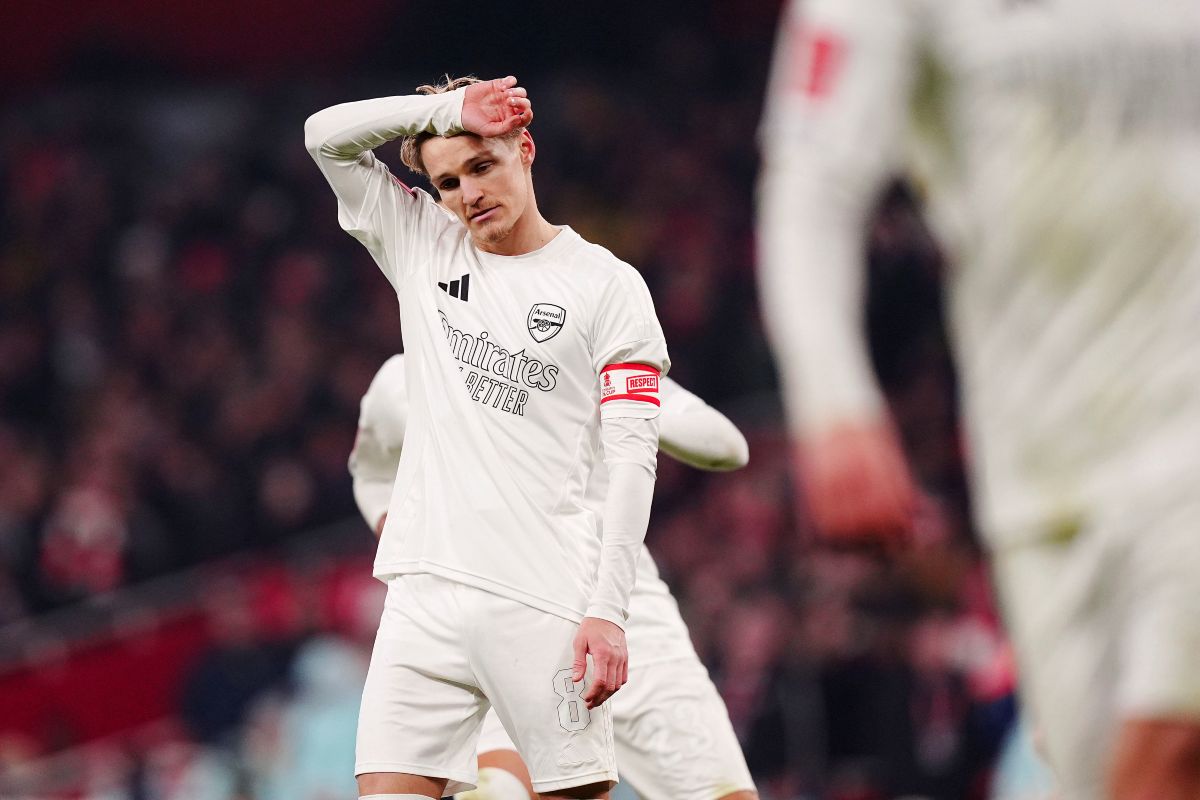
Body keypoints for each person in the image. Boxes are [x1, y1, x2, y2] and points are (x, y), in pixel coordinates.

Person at [757, 2, 1200, 799]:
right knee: (1102, 776)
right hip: (1044, 474)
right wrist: (832, 400)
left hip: (1186, 419)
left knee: (1169, 753)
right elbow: (814, 182)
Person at [305, 75, 670, 800]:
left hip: (542, 601)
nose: (467, 194)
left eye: (481, 166)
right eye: (446, 183)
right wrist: (442, 113)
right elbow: (323, 134)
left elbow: (634, 462)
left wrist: (608, 611)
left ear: (524, 150)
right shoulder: (422, 245)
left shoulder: (606, 285)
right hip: (423, 595)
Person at [350, 354, 758, 800]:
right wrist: (394, 523)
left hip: (629, 618)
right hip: (503, 616)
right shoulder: (406, 376)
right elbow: (371, 471)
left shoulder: (586, 354)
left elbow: (728, 447)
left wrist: (620, 398)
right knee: (500, 790)